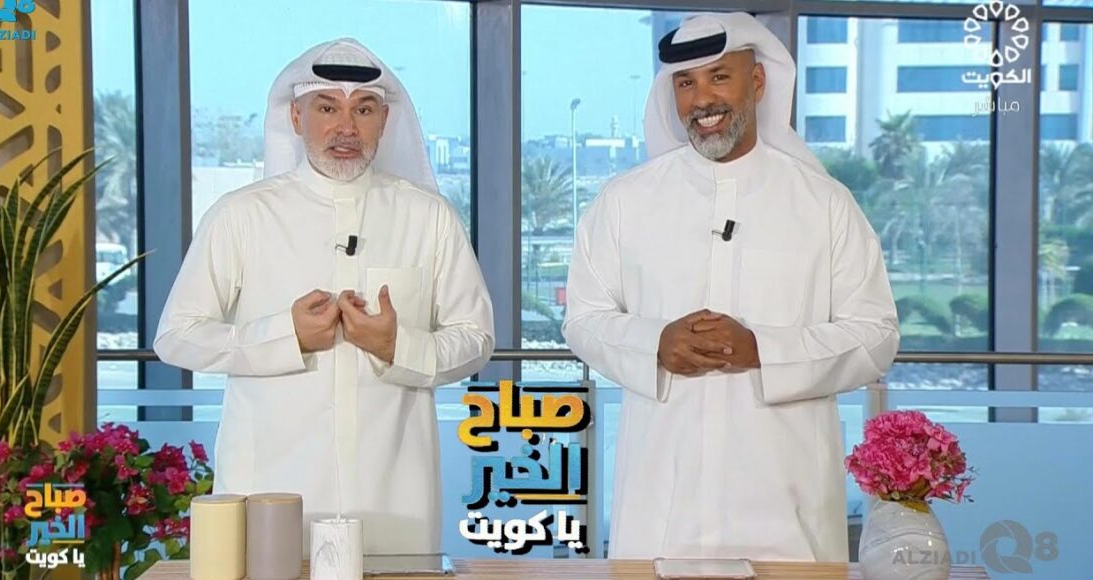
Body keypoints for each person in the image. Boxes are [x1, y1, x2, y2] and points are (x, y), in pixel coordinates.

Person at [562, 13, 899, 561]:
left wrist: (762, 350)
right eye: (685, 83)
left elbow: (876, 334)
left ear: (758, 82)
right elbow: (583, 319)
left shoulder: (824, 204)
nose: (702, 99)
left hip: (789, 504)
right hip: (661, 504)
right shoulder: (624, 202)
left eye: (719, 77)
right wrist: (655, 342)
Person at [154, 38, 495, 554]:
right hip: (270, 491)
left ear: (385, 120)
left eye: (364, 109)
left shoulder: (429, 218)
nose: (346, 128)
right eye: (327, 108)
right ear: (296, 116)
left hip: (394, 496)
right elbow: (177, 337)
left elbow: (476, 338)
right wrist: (283, 336)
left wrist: (398, 346)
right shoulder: (241, 215)